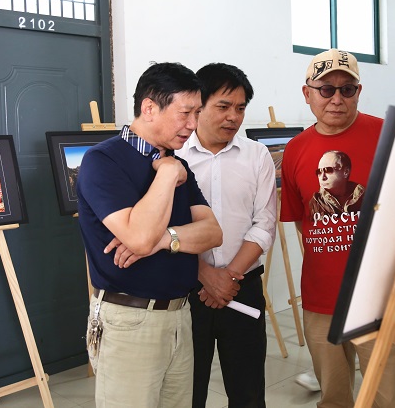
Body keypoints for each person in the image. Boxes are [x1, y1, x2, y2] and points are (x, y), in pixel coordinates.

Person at [77, 62, 223, 408]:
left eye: (197, 113)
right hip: (129, 320)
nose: (193, 124)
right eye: (185, 113)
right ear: (149, 108)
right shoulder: (103, 161)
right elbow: (139, 238)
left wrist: (164, 240)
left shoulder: (176, 162)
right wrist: (167, 174)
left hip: (179, 315)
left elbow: (212, 232)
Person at [280, 49, 395, 407]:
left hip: (378, 294)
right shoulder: (295, 150)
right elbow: (304, 223)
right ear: (307, 93)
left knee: (388, 397)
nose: (336, 99)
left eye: (347, 89)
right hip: (321, 297)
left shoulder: (387, 135)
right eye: (326, 89)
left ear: (358, 92)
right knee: (333, 397)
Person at [175, 63, 277, 408]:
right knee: (187, 392)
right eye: (223, 106)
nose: (233, 117)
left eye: (240, 108)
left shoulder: (257, 156)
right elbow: (164, 229)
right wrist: (205, 274)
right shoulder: (174, 156)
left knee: (248, 391)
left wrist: (229, 276)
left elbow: (264, 223)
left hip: (243, 286)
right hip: (187, 289)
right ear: (199, 105)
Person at [309, 150, 364, 218]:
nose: (322, 177)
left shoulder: (365, 197)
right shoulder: (315, 202)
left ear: (346, 172)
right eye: (319, 172)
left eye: (328, 170)